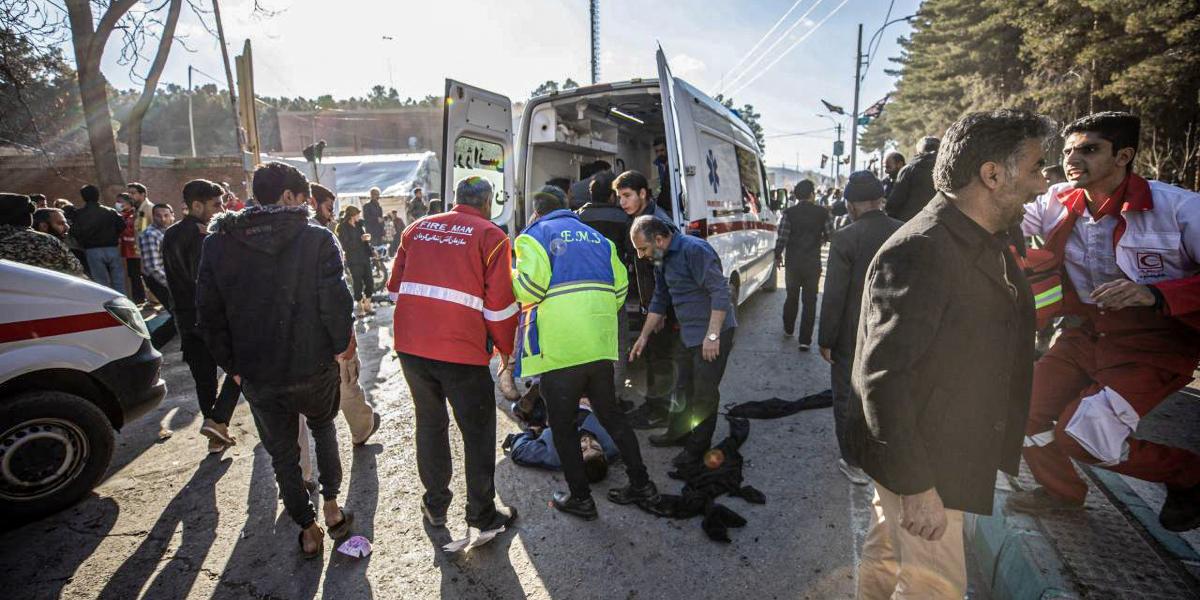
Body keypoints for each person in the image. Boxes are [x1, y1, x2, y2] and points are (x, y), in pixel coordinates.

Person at [850, 109, 1052, 599]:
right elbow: (884, 377)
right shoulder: (924, 249)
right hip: (927, 463)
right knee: (935, 590)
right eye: (1036, 168)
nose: (1044, 183)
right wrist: (918, 488)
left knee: (886, 556)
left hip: (935, 453)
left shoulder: (979, 237)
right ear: (992, 174)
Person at [1009, 112, 1200, 532]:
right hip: (1083, 334)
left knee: (1083, 435)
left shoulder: (1181, 208)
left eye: (1089, 149)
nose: (1074, 158)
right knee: (1019, 409)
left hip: (1155, 347)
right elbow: (1005, 221)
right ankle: (1061, 493)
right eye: (1069, 150)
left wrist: (1156, 294)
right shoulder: (1055, 200)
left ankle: (1189, 474)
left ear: (1124, 155)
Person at [196, 162, 356, 557]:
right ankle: (332, 507)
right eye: (304, 198)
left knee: (283, 453)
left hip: (257, 371)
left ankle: (307, 528)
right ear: (288, 196)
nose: (308, 206)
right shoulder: (317, 239)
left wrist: (232, 365)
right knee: (323, 431)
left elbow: (208, 314)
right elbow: (337, 302)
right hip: (313, 365)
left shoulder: (218, 242)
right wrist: (342, 349)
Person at [514, 185, 658, 520]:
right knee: (612, 417)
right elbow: (621, 289)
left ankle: (581, 498)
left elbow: (530, 289)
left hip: (562, 349)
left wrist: (510, 276)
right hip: (599, 346)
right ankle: (642, 484)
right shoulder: (598, 239)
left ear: (536, 211)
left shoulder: (533, 236)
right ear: (567, 207)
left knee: (562, 427)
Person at [386, 176, 519, 534]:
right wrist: (506, 351)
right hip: (462, 351)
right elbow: (500, 309)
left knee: (430, 422)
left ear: (456, 198)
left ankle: (435, 506)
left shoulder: (416, 229)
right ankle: (481, 513)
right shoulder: (491, 236)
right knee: (477, 431)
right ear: (488, 203)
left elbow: (395, 290)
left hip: (411, 348)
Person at [630, 214, 738, 468]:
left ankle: (697, 448)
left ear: (659, 239)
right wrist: (643, 336)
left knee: (703, 394)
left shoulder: (694, 250)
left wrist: (712, 335)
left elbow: (721, 292)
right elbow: (660, 297)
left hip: (713, 332)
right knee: (680, 386)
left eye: (642, 249)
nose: (640, 256)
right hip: (688, 333)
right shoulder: (660, 257)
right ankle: (677, 433)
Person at [816, 171, 902, 487]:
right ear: (881, 200)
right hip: (895, 330)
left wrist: (825, 339)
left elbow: (834, 295)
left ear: (851, 205)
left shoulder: (846, 237)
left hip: (853, 335)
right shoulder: (904, 232)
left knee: (847, 398)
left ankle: (853, 460)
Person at [296, 184, 382, 488]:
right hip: (323, 336)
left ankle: (302, 475)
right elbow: (335, 296)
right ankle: (361, 430)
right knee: (344, 384)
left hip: (290, 341)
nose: (331, 213)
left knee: (298, 415)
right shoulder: (319, 237)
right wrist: (346, 337)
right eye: (328, 206)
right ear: (311, 203)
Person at [163, 180, 242, 454]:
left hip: (185, 319)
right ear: (197, 205)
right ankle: (218, 420)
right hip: (210, 318)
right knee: (240, 368)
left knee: (204, 379)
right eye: (216, 205)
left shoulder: (170, 234)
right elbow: (205, 280)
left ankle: (215, 436)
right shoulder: (202, 236)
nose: (221, 209)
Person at [614, 170, 679, 434]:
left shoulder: (657, 224)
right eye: (619, 197)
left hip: (661, 305)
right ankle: (655, 406)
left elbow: (665, 271)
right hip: (650, 302)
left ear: (643, 193)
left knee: (661, 357)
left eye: (627, 196)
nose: (622, 202)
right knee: (653, 356)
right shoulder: (640, 219)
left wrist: (659, 309)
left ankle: (660, 412)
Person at [577, 170, 634, 404]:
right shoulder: (623, 219)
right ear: (612, 196)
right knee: (618, 346)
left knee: (585, 345)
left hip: (580, 293)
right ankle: (614, 398)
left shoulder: (576, 217)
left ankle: (585, 397)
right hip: (612, 292)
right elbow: (634, 255)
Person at [504, 397, 619, 480]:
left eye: (583, 449)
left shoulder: (557, 455)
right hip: (586, 397)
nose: (587, 442)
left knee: (528, 408)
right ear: (604, 453)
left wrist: (532, 431)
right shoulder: (613, 443)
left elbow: (519, 451)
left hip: (550, 404)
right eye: (595, 446)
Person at [775, 180, 829, 350]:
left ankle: (789, 328)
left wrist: (777, 255)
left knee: (791, 297)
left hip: (793, 263)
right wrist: (820, 240)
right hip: (812, 262)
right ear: (812, 194)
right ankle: (805, 340)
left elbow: (782, 236)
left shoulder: (789, 213)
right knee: (810, 301)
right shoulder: (822, 213)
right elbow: (830, 234)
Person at [0, 193, 86, 276]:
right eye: (60, 223)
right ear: (43, 226)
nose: (67, 227)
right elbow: (77, 270)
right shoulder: (48, 241)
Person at [71, 184, 127, 292]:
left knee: (101, 283)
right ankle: (122, 301)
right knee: (118, 280)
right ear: (98, 195)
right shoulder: (110, 211)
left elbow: (74, 231)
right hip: (112, 248)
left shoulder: (79, 214)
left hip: (92, 250)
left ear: (83, 197)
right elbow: (122, 226)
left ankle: (106, 304)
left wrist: (83, 241)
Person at [137, 203, 176, 343]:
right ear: (153, 217)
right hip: (159, 280)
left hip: (168, 278)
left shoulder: (169, 231)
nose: (163, 219)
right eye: (158, 216)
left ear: (172, 215)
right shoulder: (150, 234)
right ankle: (152, 345)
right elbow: (153, 268)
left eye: (166, 215)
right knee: (178, 315)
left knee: (180, 316)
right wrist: (174, 285)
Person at [885, 136, 940, 222]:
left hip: (910, 224)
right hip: (940, 224)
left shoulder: (908, 170)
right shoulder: (949, 168)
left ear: (919, 151)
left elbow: (894, 204)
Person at [336, 205, 376, 318]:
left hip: (364, 257)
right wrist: (360, 239)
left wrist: (371, 250)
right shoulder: (343, 228)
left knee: (370, 282)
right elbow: (345, 245)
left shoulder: (359, 225)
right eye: (358, 214)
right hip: (354, 259)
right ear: (353, 215)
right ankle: (360, 307)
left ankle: (367, 305)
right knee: (357, 283)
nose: (359, 216)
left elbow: (365, 241)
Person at [116, 193, 147, 304]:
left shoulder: (138, 214)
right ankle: (138, 299)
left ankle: (142, 299)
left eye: (121, 202)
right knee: (133, 276)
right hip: (127, 251)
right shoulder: (121, 215)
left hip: (137, 250)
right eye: (117, 201)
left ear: (129, 203)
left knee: (139, 275)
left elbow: (141, 229)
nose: (118, 204)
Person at [653, 137, 671, 213]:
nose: (659, 153)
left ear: (667, 149)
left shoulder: (674, 164)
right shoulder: (655, 166)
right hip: (662, 204)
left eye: (662, 150)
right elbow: (656, 186)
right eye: (657, 151)